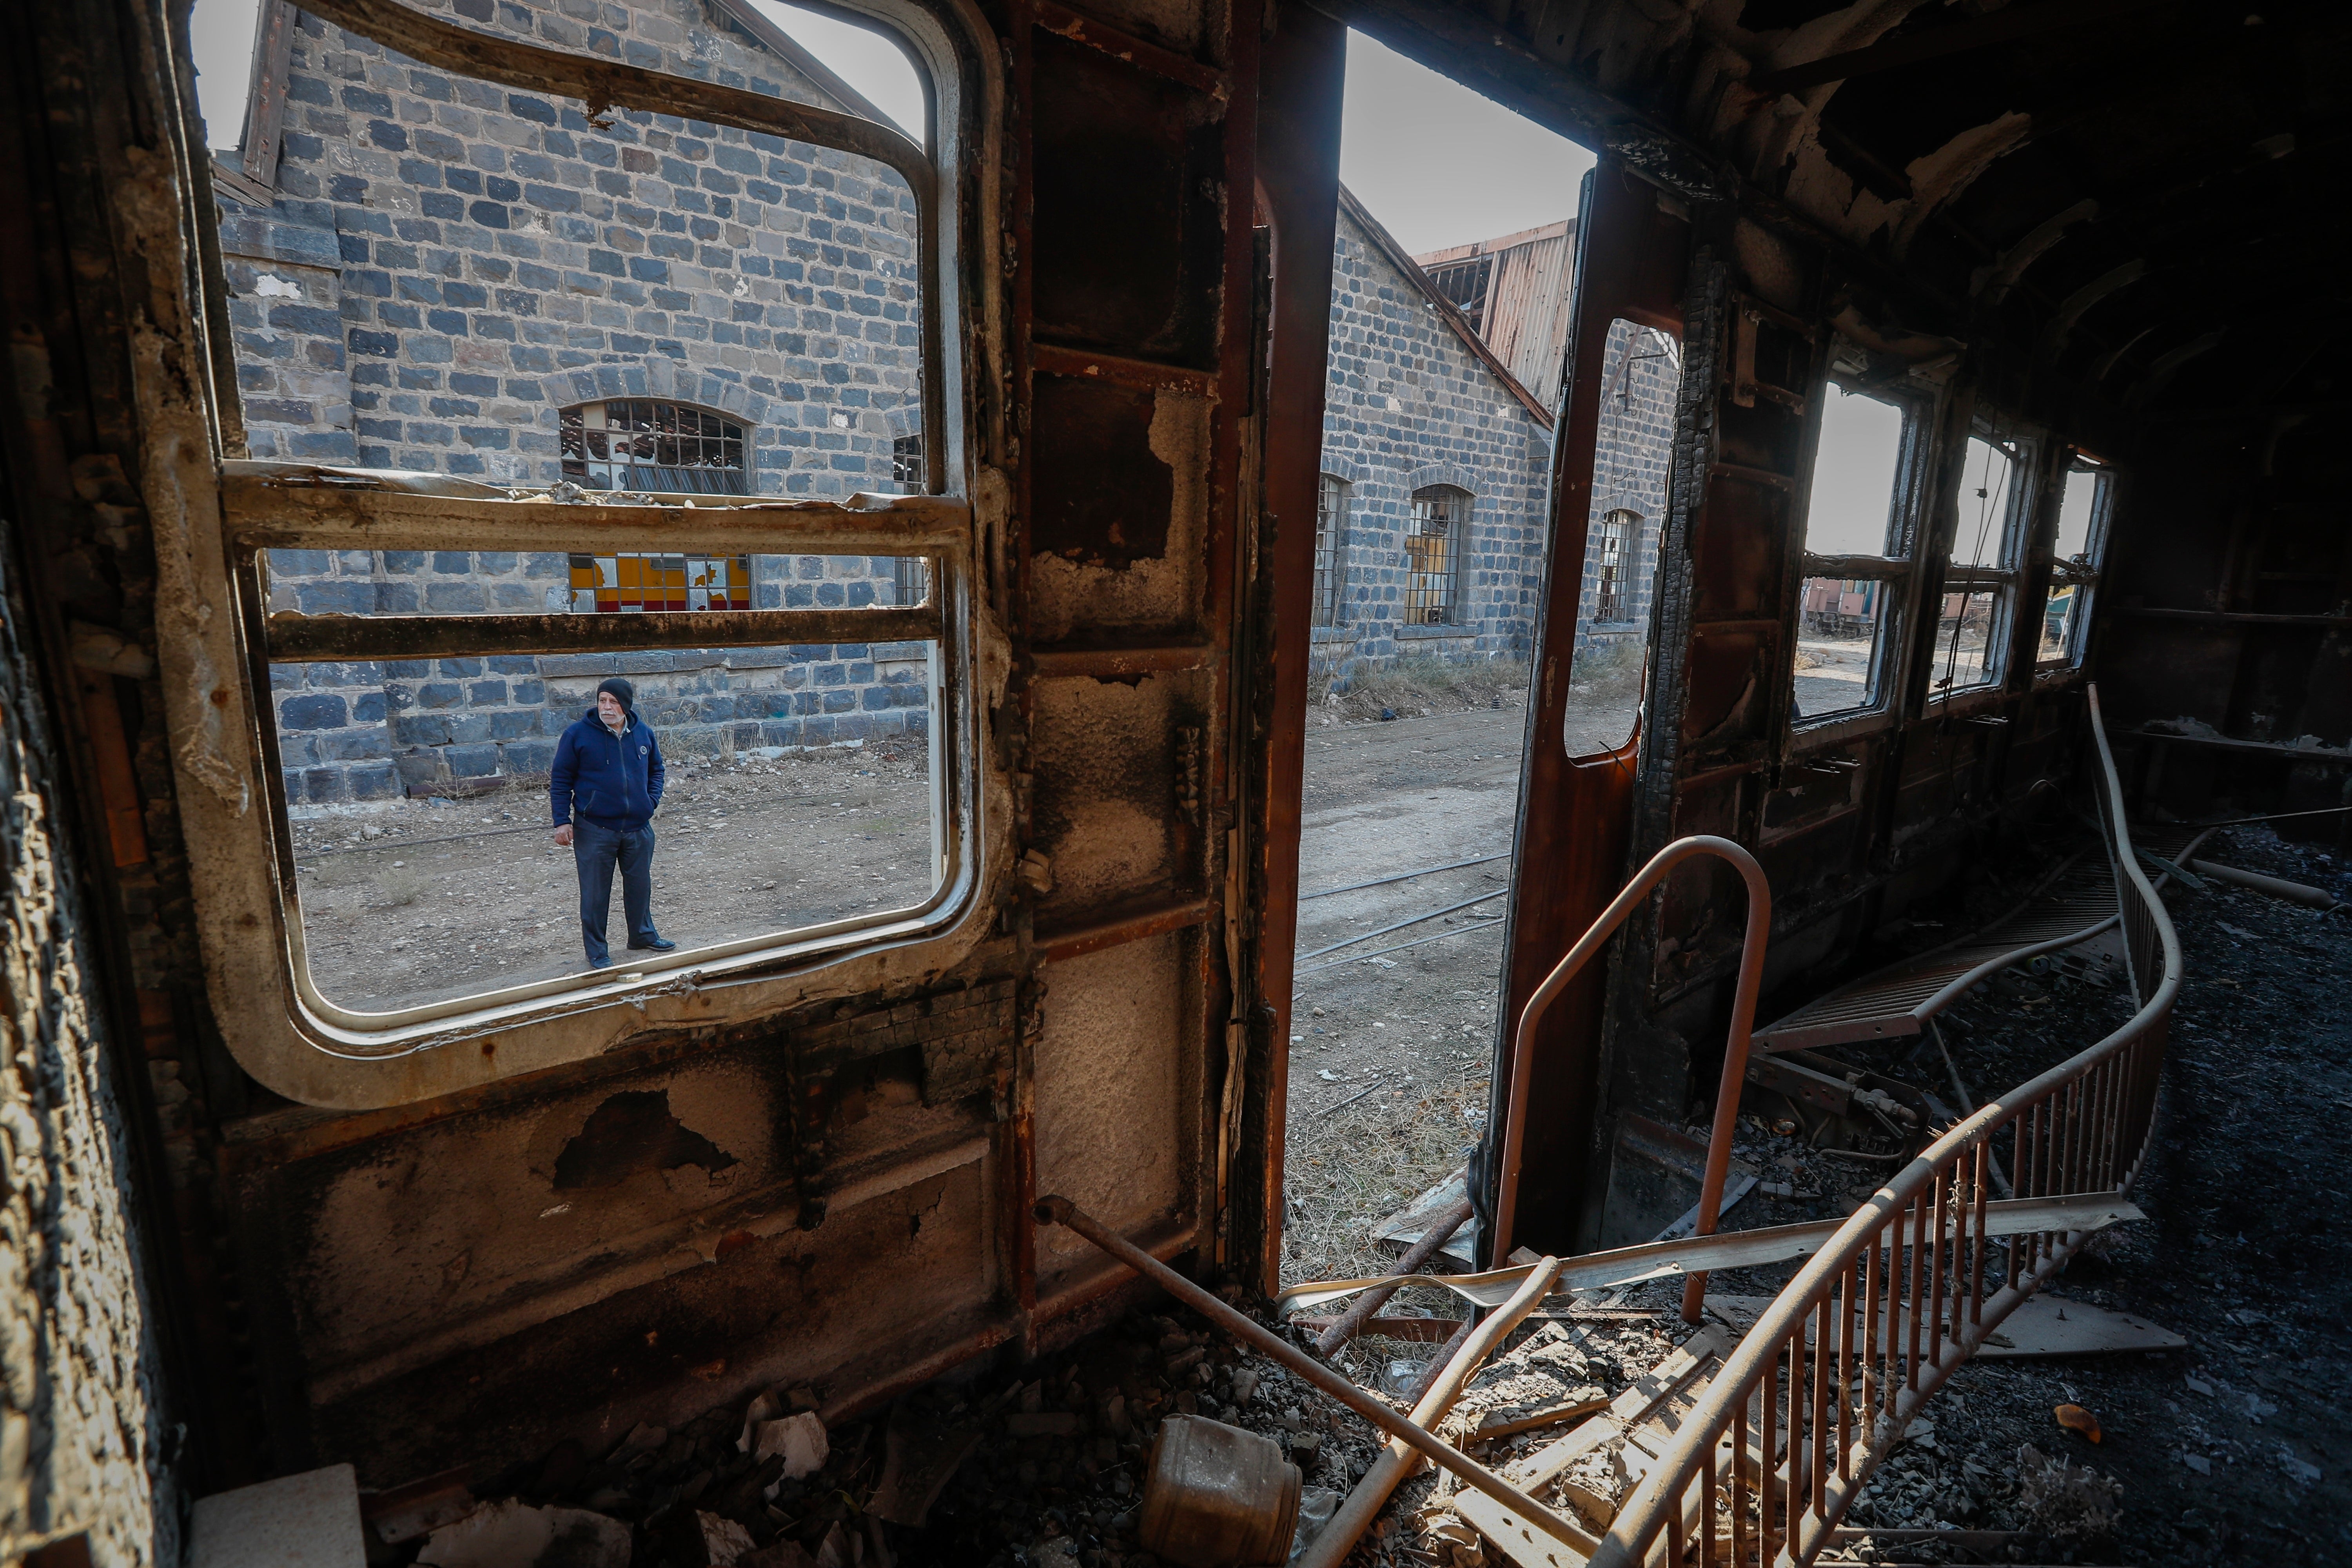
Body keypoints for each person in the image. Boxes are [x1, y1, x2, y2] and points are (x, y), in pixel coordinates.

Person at [550, 677, 677, 969]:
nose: (606, 707)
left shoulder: (643, 733)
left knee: (639, 886)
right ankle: (597, 951)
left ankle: (642, 936)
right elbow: (560, 780)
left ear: (626, 704)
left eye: (613, 701)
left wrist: (651, 801)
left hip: (638, 827)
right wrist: (561, 821)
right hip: (595, 828)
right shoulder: (577, 735)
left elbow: (657, 769)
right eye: (602, 700)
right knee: (595, 893)